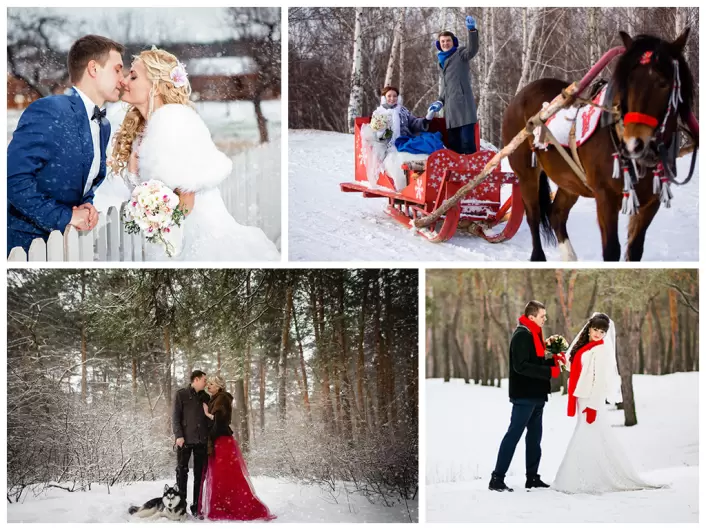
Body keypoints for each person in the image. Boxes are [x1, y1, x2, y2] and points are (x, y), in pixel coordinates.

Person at [110, 47, 280, 261]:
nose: (125, 81)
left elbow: (185, 203)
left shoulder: (173, 121)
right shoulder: (147, 127)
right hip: (175, 236)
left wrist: (155, 220)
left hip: (198, 238)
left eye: (133, 75)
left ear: (156, 86)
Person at [7, 35, 125, 255]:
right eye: (117, 69)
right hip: (25, 247)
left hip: (69, 246)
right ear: (93, 68)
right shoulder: (51, 109)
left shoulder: (104, 125)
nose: (122, 78)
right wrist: (67, 217)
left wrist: (87, 204)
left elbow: (86, 181)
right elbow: (13, 179)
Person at [552, 313, 662, 494]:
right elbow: (578, 368)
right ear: (589, 328)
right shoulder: (586, 345)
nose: (597, 334)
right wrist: (563, 360)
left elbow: (600, 381)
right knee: (592, 435)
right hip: (582, 397)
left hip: (591, 400)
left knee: (587, 434)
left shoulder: (602, 350)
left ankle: (580, 478)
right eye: (595, 329)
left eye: (602, 331)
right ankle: (589, 475)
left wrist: (593, 406)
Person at [489, 300, 563, 492]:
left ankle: (532, 478)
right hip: (524, 396)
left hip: (537, 395)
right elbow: (520, 366)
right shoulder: (522, 335)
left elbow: (536, 359)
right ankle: (497, 478)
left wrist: (554, 361)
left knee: (534, 439)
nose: (545, 319)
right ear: (531, 317)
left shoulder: (535, 335)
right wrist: (549, 373)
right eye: (542, 316)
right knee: (513, 435)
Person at [198, 375, 275, 521]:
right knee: (220, 477)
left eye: (212, 384)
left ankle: (236, 507)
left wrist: (208, 414)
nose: (208, 386)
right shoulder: (216, 397)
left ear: (219, 386)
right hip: (219, 440)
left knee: (226, 476)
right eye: (207, 384)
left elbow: (220, 421)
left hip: (222, 441)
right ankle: (224, 506)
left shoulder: (221, 398)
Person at [427, 15, 480, 155]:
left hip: (464, 109)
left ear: (453, 42)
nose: (445, 43)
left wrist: (472, 31)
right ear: (439, 44)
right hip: (451, 112)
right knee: (454, 146)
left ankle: (472, 174)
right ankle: (456, 175)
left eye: (448, 41)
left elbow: (472, 49)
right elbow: (446, 87)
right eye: (442, 41)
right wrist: (439, 101)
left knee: (467, 143)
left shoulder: (460, 54)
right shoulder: (441, 62)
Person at [172, 370, 210, 515]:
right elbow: (175, 417)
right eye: (204, 380)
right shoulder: (181, 394)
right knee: (182, 472)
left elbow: (208, 418)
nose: (206, 383)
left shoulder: (206, 397)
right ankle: (181, 506)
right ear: (196, 379)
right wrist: (179, 435)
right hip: (185, 440)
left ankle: (197, 508)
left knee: (200, 475)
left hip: (202, 441)